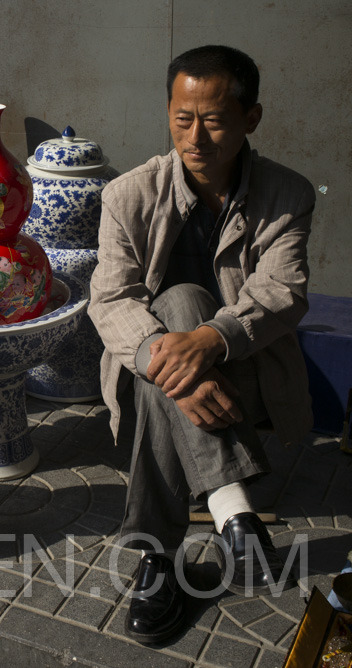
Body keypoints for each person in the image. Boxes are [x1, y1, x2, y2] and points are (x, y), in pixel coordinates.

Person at [88, 45, 313, 644]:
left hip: (246, 377)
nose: (196, 136)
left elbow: (284, 290)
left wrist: (211, 340)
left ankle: (157, 561)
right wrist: (172, 364)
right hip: (153, 380)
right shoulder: (128, 196)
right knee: (178, 305)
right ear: (167, 113)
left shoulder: (286, 196)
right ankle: (234, 515)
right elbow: (110, 300)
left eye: (213, 120)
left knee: (190, 310)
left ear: (251, 118)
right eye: (182, 118)